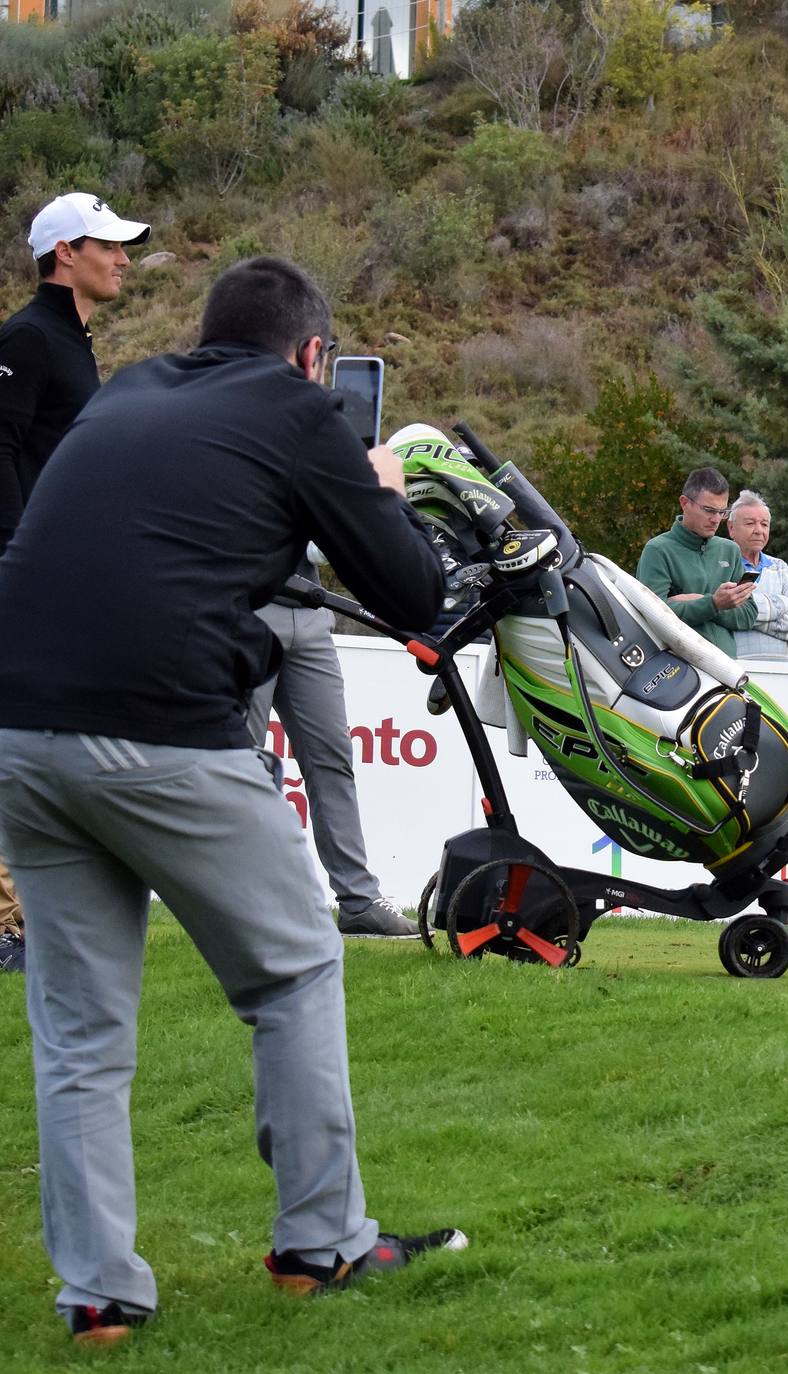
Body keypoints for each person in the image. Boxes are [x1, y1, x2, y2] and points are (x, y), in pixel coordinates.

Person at [0, 257, 464, 1346]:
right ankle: (323, 1244)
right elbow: (414, 594)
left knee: (76, 1026)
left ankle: (99, 1297)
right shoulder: (305, 414)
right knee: (296, 960)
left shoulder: (129, 389)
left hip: (16, 717)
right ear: (313, 357)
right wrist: (382, 481)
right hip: (156, 720)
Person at [0, 192, 149, 975]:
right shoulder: (27, 337)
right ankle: (5, 927)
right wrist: (18, 562)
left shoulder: (70, 344)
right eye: (109, 246)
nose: (123, 259)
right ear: (66, 254)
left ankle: (29, 920)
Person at [246, 543, 419, 939]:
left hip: (309, 612)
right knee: (242, 764)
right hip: (245, 609)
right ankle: (246, 900)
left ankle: (359, 902)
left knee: (332, 760)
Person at [636, 467, 756, 657]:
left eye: (722, 512)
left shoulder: (730, 550)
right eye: (709, 510)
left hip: (727, 669)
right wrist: (714, 604)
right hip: (679, 669)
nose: (716, 519)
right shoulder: (657, 550)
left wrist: (705, 603)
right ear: (684, 503)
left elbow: (749, 616)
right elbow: (651, 616)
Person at [724, 490, 788, 662]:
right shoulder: (721, 565)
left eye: (764, 524)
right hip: (735, 673)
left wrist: (746, 616)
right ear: (731, 528)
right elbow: (722, 611)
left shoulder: (780, 567)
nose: (758, 530)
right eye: (750, 523)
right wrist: (782, 604)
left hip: (780, 674)